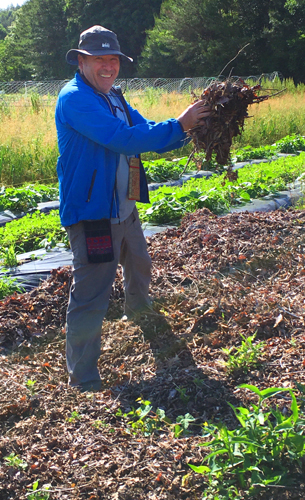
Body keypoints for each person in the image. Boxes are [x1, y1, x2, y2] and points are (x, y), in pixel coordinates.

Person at [55, 25, 210, 392]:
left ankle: (139, 312)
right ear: (81, 61)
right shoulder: (75, 98)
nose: (108, 66)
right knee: (92, 294)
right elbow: (122, 139)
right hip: (95, 215)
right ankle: (83, 378)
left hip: (124, 207)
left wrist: (191, 128)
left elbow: (145, 129)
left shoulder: (114, 97)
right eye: (99, 59)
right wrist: (179, 124)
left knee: (139, 262)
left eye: (114, 59)